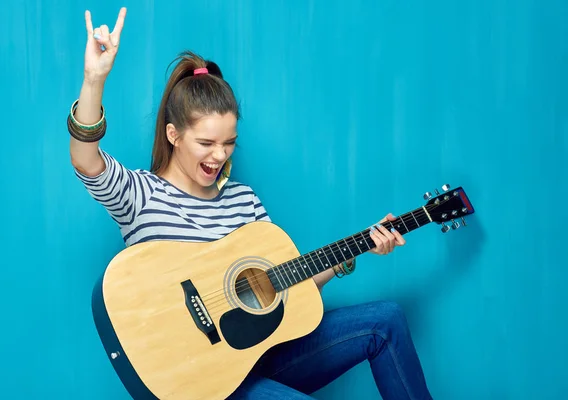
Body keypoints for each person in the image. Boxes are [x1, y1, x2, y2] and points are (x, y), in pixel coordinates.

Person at [69, 7, 433, 400]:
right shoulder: (141, 195)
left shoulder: (244, 201)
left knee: (387, 320)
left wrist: (354, 251)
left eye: (228, 143)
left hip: (255, 358)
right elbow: (85, 160)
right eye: (205, 143)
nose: (219, 155)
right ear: (173, 135)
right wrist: (94, 81)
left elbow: (283, 292)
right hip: (202, 383)